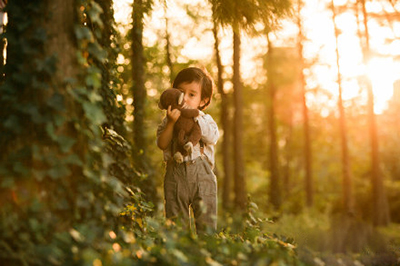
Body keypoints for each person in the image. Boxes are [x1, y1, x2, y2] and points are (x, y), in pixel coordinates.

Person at [157, 67, 219, 233]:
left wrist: (195, 117)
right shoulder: (168, 119)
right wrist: (171, 123)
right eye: (181, 92)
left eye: (192, 94)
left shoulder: (205, 119)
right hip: (175, 175)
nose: (184, 98)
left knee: (207, 226)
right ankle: (180, 255)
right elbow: (162, 144)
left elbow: (212, 137)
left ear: (203, 100)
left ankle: (207, 254)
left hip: (202, 175)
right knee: (177, 226)